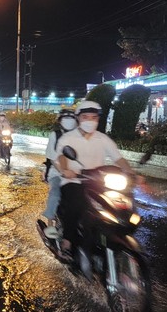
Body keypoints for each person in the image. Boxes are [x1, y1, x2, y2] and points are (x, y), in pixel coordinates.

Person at [56, 101, 140, 258]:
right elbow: (61, 156)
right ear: (78, 118)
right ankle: (67, 243)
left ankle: (114, 237)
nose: (90, 120)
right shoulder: (68, 138)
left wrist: (131, 172)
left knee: (123, 203)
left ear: (98, 119)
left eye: (94, 117)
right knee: (76, 204)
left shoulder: (102, 139)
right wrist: (66, 170)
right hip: (75, 181)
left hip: (97, 181)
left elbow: (118, 159)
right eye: (86, 116)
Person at [41, 109, 77, 239]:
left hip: (78, 175)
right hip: (57, 172)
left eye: (71, 118)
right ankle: (50, 222)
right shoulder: (55, 135)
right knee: (55, 192)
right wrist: (63, 171)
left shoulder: (80, 136)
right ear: (60, 121)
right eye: (65, 118)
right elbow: (52, 156)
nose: (68, 121)